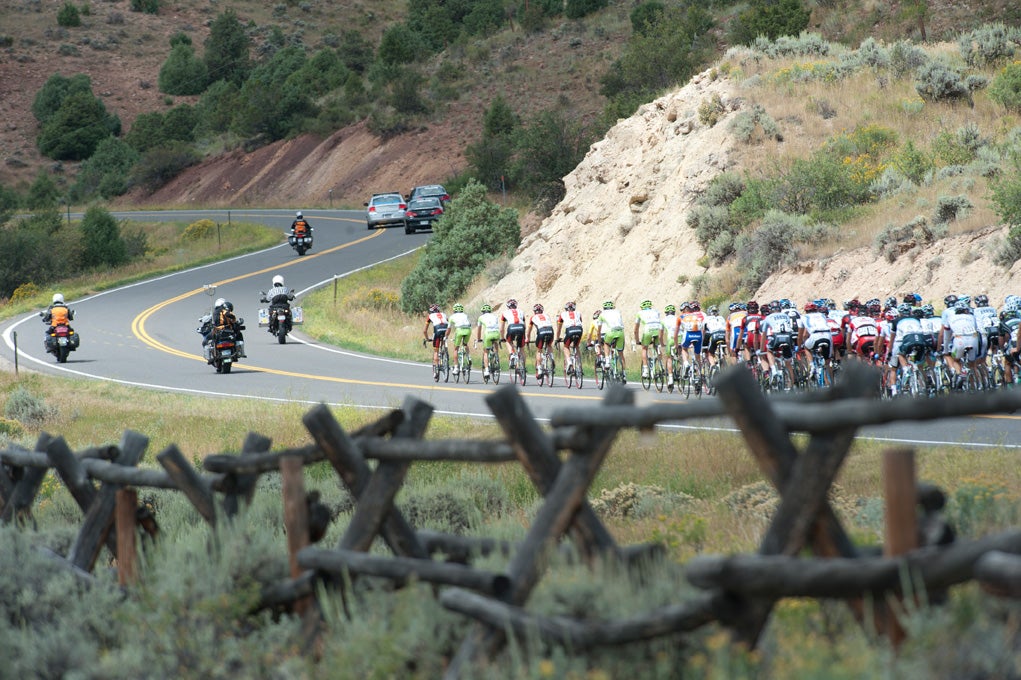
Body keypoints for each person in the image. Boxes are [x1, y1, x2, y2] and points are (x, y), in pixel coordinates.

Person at [633, 299, 663, 379]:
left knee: (644, 348)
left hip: (648, 331)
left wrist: (637, 341)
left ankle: (645, 370)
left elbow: (636, 329)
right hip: (658, 330)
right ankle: (661, 366)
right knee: (657, 347)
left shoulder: (639, 313)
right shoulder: (656, 311)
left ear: (642, 307)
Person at [597, 300, 626, 381]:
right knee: (621, 354)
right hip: (620, 332)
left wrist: (599, 341)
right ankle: (624, 374)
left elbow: (598, 331)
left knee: (606, 344)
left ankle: (607, 362)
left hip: (611, 332)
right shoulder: (617, 312)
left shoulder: (602, 314)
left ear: (604, 308)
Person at [555, 301, 584, 377]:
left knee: (566, 347)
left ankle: (569, 362)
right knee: (576, 346)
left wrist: (557, 338)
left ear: (566, 309)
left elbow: (559, 329)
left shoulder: (562, 314)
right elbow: (580, 322)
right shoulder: (578, 313)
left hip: (570, 330)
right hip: (579, 329)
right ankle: (579, 366)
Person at [528, 304, 555, 380]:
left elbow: (529, 330)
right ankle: (551, 357)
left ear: (534, 311)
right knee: (549, 345)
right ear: (542, 311)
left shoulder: (533, 317)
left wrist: (527, 338)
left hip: (541, 332)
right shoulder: (547, 315)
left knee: (539, 350)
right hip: (550, 331)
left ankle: (539, 369)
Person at [475, 303, 501, 381]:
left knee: (486, 352)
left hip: (488, 334)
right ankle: (496, 356)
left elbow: (479, 330)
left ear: (483, 311)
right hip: (496, 333)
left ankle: (486, 370)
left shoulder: (480, 317)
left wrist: (478, 338)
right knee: (495, 342)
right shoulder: (495, 316)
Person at [500, 298, 527, 371]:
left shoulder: (504, 313)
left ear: (508, 306)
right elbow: (525, 326)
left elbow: (501, 328)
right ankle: (523, 368)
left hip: (511, 327)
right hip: (521, 328)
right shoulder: (521, 311)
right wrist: (525, 336)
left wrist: (502, 338)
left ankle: (512, 354)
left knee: (508, 341)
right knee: (521, 349)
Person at [423, 303, 449, 377]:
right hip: (446, 329)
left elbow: (424, 330)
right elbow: (448, 322)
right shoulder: (443, 314)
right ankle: (445, 353)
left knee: (436, 351)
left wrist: (427, 338)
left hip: (437, 330)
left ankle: (436, 370)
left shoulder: (430, 316)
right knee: (443, 342)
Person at [447, 303, 473, 376]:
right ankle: (468, 356)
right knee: (465, 344)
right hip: (468, 330)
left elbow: (449, 329)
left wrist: (446, 336)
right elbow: (469, 324)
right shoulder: (465, 315)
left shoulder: (452, 317)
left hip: (459, 330)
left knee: (456, 348)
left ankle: (456, 368)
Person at [701, 305, 727, 369]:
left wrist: (702, 340)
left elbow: (704, 330)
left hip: (714, 334)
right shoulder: (721, 318)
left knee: (710, 353)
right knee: (722, 350)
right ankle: (723, 355)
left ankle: (713, 367)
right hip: (724, 334)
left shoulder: (707, 318)